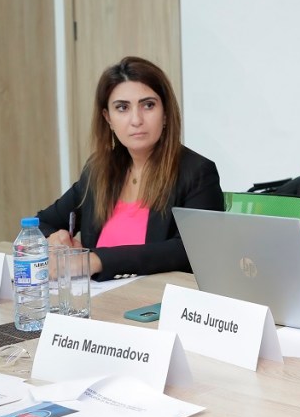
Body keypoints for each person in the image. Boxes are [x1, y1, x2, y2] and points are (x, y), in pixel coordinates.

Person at [37, 56, 224, 280]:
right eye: (122, 108)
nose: (136, 120)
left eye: (148, 105)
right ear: (108, 118)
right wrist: (54, 239)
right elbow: (40, 223)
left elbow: (191, 250)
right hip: (97, 297)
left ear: (165, 113)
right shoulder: (98, 170)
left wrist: (96, 260)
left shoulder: (197, 172)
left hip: (153, 299)